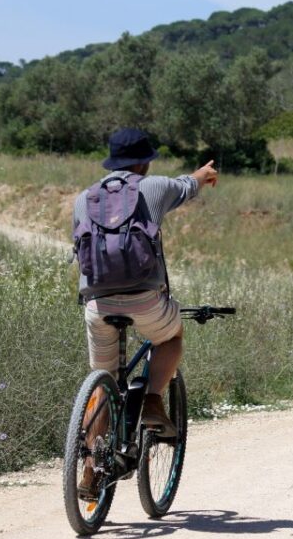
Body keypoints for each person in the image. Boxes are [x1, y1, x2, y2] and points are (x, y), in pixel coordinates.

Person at [72, 128, 218, 498]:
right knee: (171, 337)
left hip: (98, 304)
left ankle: (90, 469)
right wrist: (204, 174)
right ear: (143, 162)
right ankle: (153, 399)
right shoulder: (152, 188)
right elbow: (187, 185)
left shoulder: (84, 198)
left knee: (103, 382)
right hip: (146, 301)